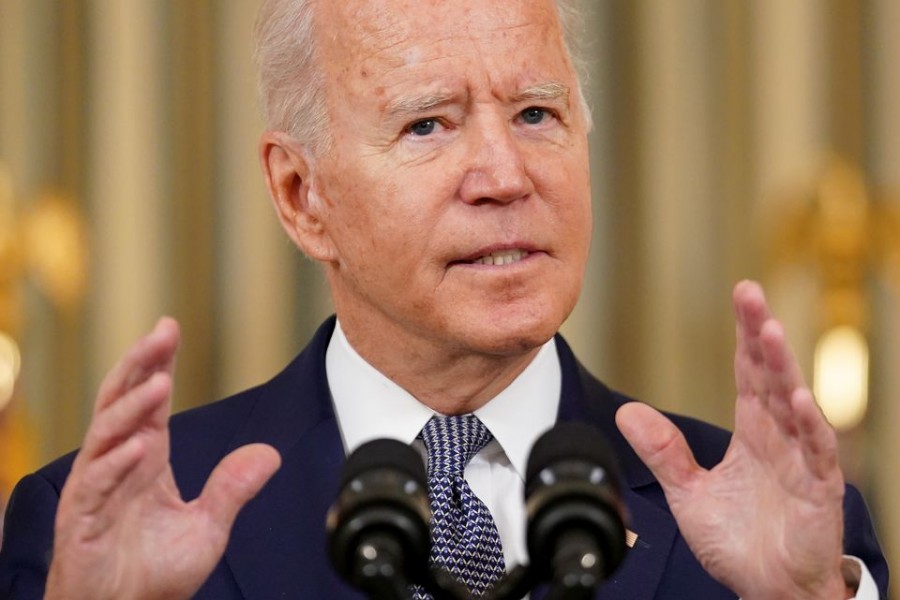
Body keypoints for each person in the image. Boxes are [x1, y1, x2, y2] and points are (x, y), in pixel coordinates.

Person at [0, 0, 889, 598]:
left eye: (537, 114)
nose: (505, 176)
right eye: (428, 124)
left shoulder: (785, 536)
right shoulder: (117, 533)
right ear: (303, 196)